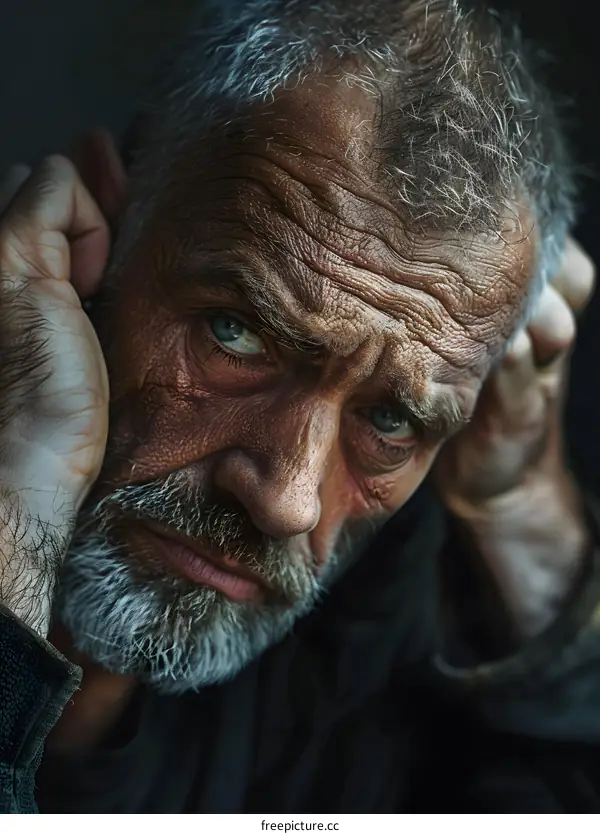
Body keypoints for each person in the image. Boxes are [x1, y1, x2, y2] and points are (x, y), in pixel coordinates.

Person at [1, 0, 600, 813]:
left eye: (391, 420)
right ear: (105, 220)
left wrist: (517, 498)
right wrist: (13, 507)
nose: (287, 499)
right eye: (238, 334)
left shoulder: (366, 653)